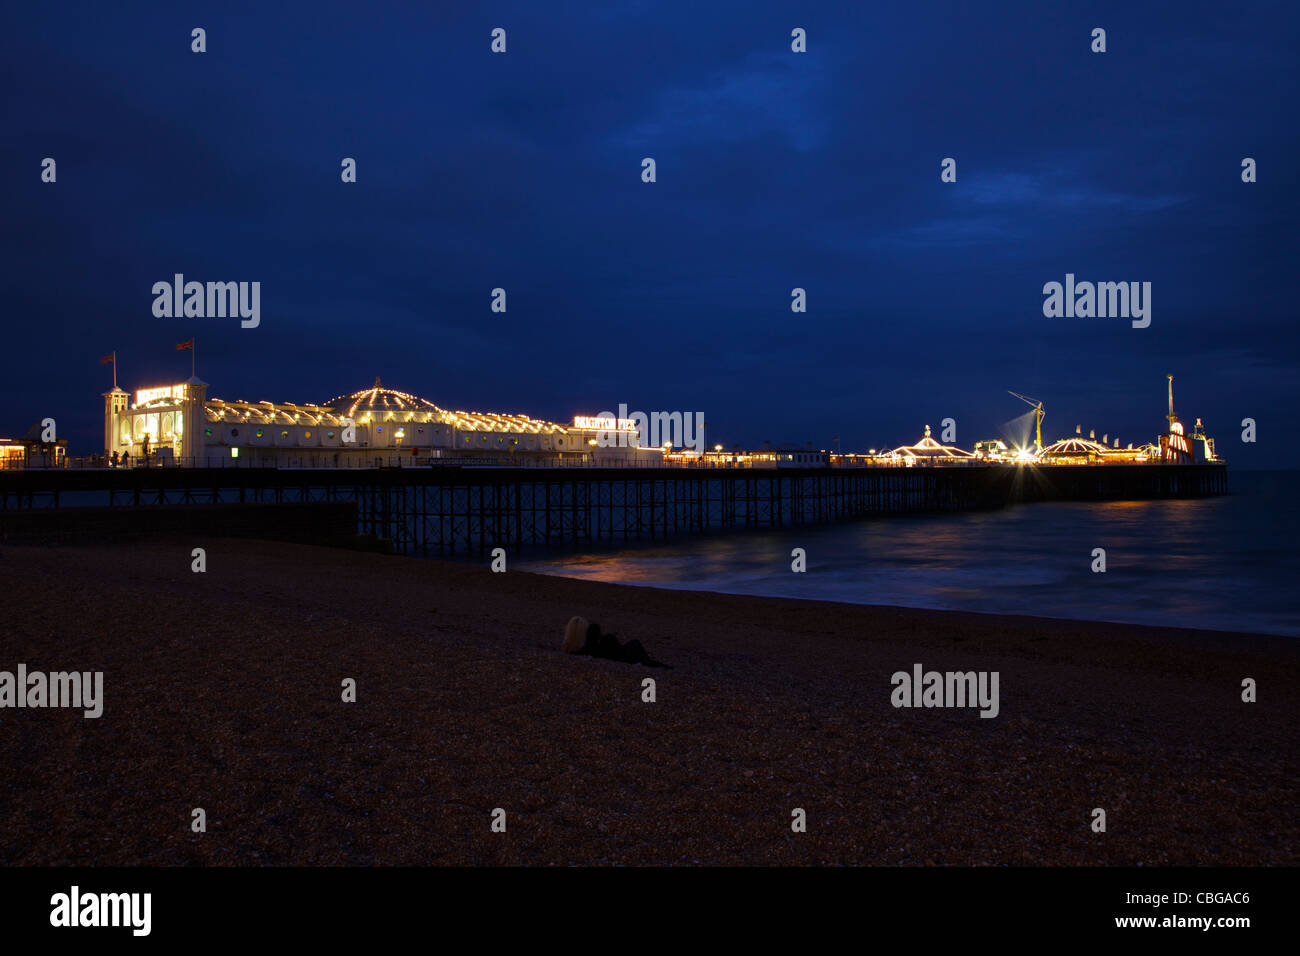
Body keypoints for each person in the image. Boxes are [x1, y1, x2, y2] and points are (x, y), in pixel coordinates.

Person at [562, 616, 671, 668]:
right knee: (639, 650)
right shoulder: (593, 646)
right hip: (627, 655)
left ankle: (655, 664)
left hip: (623, 654)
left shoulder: (579, 649)